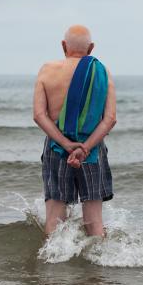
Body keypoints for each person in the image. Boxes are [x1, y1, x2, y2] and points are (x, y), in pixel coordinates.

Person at [33, 25, 117, 237]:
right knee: (94, 222)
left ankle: (52, 265)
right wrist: (85, 147)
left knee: (54, 218)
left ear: (63, 46)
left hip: (56, 147)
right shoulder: (101, 71)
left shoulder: (47, 70)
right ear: (91, 48)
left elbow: (39, 115)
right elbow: (110, 119)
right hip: (92, 150)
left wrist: (66, 144)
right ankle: (98, 267)